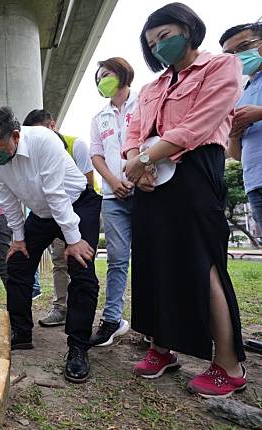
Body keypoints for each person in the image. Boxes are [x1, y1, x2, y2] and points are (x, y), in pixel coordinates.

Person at [123, 2, 246, 398]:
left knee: (203, 262)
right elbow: (135, 131)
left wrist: (144, 159)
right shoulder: (151, 87)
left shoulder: (220, 67)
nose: (160, 46)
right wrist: (136, 163)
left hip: (194, 171)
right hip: (150, 178)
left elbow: (200, 123)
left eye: (166, 35)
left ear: (189, 29)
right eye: (153, 43)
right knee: (154, 261)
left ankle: (228, 363)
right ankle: (162, 346)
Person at [0, 104, 102, 383]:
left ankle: (78, 346)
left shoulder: (44, 141)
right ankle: (21, 332)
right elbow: (6, 198)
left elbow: (56, 193)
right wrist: (18, 238)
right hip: (42, 213)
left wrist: (73, 239)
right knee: (18, 263)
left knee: (80, 268)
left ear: (15, 136)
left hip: (76, 204)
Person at [22, 109, 95, 325]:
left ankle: (78, 320)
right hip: (51, 210)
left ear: (52, 126)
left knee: (79, 260)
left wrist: (76, 229)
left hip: (77, 207)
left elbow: (87, 183)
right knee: (59, 260)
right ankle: (60, 307)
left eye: (39, 133)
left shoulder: (76, 145)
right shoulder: (34, 152)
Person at [88, 57, 138, 347]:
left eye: (105, 75)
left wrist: (136, 174)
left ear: (122, 74)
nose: (101, 81)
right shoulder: (99, 118)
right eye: (98, 79)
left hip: (146, 190)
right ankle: (111, 320)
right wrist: (114, 182)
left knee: (151, 259)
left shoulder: (144, 102)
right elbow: (97, 156)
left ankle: (153, 323)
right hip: (113, 197)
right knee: (117, 261)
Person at [220, 23, 262, 236]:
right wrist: (234, 136)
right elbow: (236, 155)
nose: (237, 56)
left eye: (244, 46)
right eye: (229, 54)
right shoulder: (240, 93)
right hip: (255, 183)